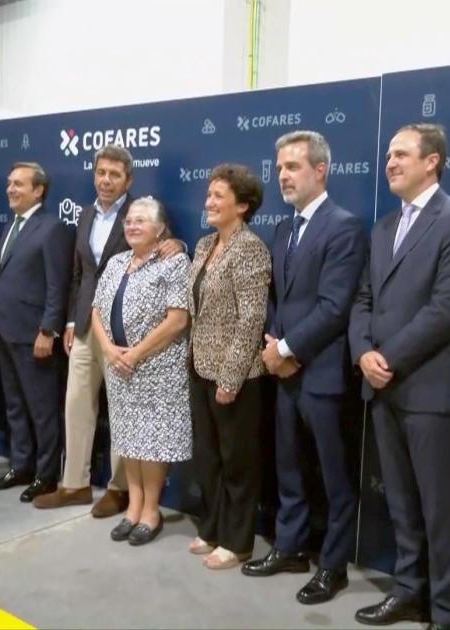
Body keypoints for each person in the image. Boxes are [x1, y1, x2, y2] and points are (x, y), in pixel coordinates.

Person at [350, 124, 450, 630]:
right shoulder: (383, 227)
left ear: (432, 162)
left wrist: (387, 358)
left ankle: (447, 614)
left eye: (401, 154)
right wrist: (364, 353)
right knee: (403, 504)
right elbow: (363, 299)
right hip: (382, 385)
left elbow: (448, 309)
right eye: (388, 154)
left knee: (440, 509)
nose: (390, 162)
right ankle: (408, 592)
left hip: (431, 389)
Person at [242, 130, 366, 606]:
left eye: (292, 167)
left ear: (321, 170)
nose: (283, 176)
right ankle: (290, 548)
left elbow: (335, 307)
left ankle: (332, 567)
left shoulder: (344, 226)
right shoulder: (283, 228)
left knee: (334, 479)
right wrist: (275, 344)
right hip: (286, 371)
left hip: (324, 375)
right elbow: (280, 298)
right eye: (279, 169)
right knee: (289, 469)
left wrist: (288, 349)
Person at [33, 145, 183, 516]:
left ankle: (119, 490)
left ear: (128, 179)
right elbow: (79, 275)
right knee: (77, 405)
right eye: (101, 172)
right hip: (87, 326)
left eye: (115, 174)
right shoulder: (85, 215)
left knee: (123, 411)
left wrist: (176, 243)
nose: (106, 180)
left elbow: (168, 246)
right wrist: (70, 321)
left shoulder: (142, 213)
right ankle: (75, 484)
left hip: (127, 335)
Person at [90, 197, 190, 546]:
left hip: (156, 368)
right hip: (119, 367)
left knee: (152, 444)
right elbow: (96, 311)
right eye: (129, 220)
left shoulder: (174, 262)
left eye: (141, 221)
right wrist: (107, 349)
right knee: (129, 442)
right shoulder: (117, 262)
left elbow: (178, 319)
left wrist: (136, 354)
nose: (132, 226)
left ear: (160, 228)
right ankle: (132, 507)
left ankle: (151, 511)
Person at [186, 164, 270, 570]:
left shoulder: (251, 248)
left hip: (235, 375)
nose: (209, 202)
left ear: (243, 205)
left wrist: (231, 377)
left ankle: (238, 542)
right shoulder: (204, 246)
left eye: (219, 196)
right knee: (209, 458)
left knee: (238, 462)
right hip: (199, 368)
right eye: (209, 194)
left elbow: (251, 320)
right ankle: (213, 528)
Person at [0, 162, 73, 502]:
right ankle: (21, 465)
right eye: (9, 183)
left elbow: (57, 285)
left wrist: (48, 330)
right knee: (15, 406)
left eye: (18, 184)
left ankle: (46, 474)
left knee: (42, 409)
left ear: (38, 190)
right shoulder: (11, 227)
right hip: (5, 333)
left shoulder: (51, 229)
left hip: (34, 335)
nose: (10, 189)